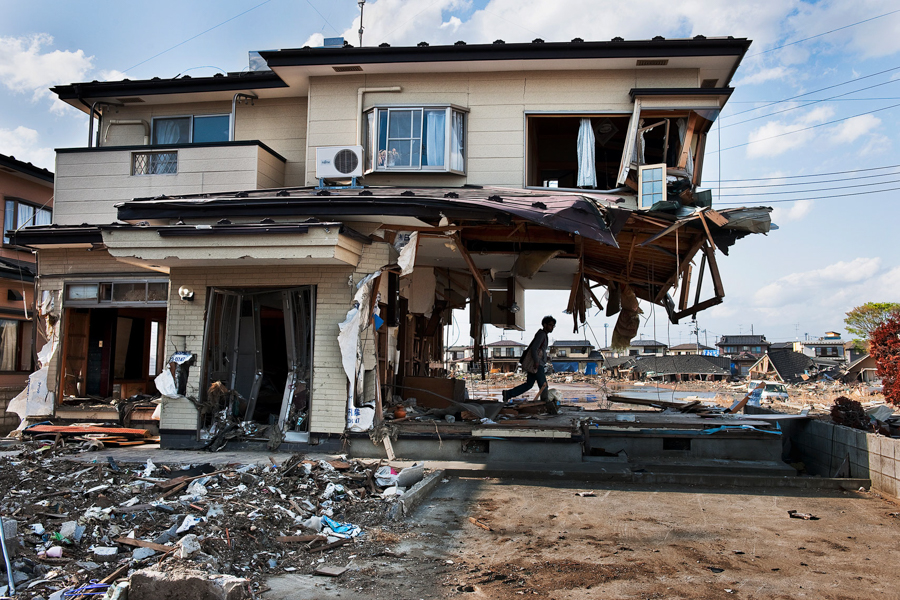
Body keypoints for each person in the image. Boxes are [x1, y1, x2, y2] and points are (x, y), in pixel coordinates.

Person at [503, 316, 556, 411]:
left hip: (538, 363)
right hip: (537, 364)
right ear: (545, 325)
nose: (552, 327)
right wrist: (536, 361)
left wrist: (544, 357)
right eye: (550, 325)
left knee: (529, 384)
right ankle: (546, 404)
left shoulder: (543, 334)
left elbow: (539, 349)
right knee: (543, 385)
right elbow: (534, 348)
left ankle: (508, 394)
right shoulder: (542, 334)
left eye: (553, 326)